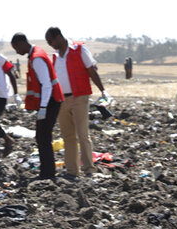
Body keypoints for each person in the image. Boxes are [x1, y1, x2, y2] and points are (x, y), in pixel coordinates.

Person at [46, 27, 110, 179]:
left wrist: (102, 90)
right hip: (62, 100)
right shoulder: (55, 57)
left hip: (79, 97)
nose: (50, 45)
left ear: (59, 37)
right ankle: (72, 171)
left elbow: (91, 71)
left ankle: (89, 169)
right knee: (68, 136)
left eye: (51, 41)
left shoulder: (79, 49)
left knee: (82, 134)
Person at [11, 32, 64, 180]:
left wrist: (43, 108)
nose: (17, 51)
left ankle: (47, 174)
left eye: (16, 48)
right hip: (50, 101)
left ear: (21, 43)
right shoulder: (35, 54)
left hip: (51, 101)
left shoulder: (36, 58)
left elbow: (46, 85)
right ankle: (47, 171)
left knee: (43, 137)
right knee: (42, 137)